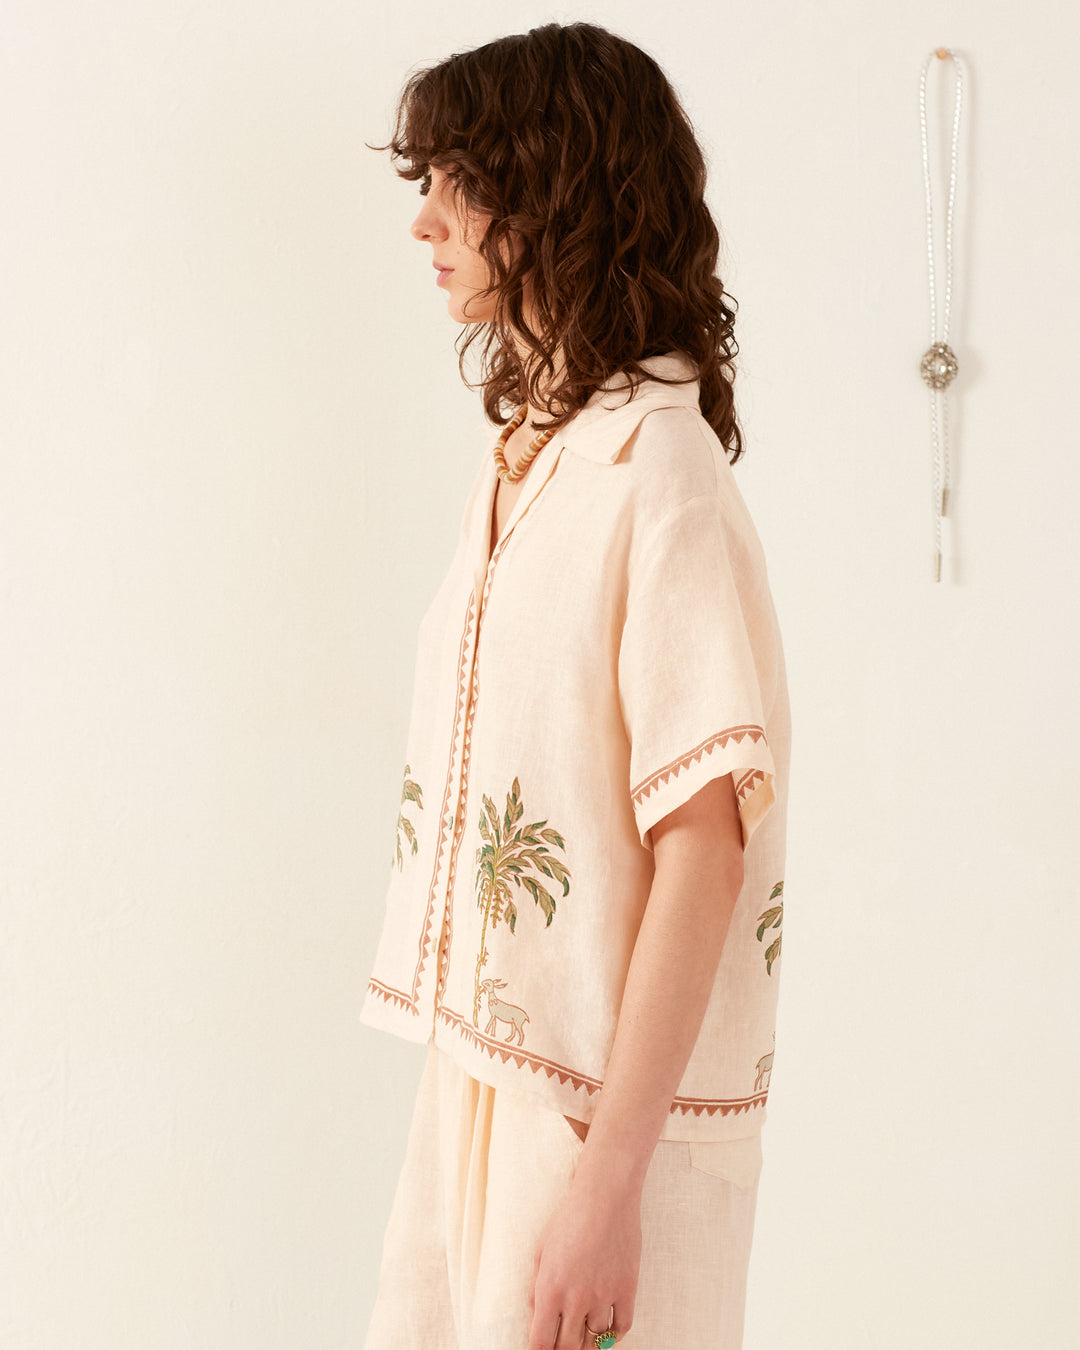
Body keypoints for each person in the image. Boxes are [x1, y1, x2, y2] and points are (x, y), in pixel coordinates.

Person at [360, 21, 790, 1350]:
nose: (425, 222)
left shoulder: (655, 476)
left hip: (598, 1123)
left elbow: (703, 850)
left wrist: (605, 1188)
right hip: (485, 1082)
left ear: (549, 195)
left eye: (459, 183)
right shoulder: (539, 465)